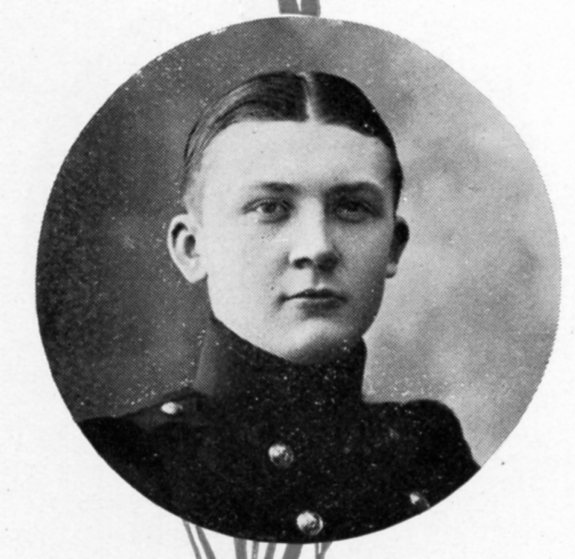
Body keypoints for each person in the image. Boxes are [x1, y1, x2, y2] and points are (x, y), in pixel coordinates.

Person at [80, 71, 478, 543]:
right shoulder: (117, 461)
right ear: (192, 248)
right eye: (270, 207)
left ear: (393, 247)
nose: (317, 247)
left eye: (352, 207)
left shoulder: (429, 455)